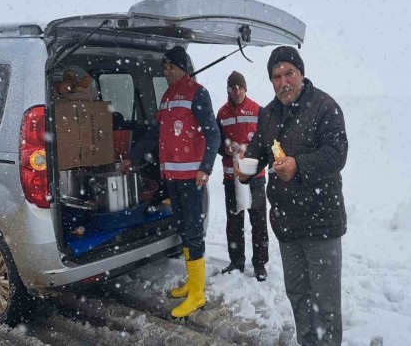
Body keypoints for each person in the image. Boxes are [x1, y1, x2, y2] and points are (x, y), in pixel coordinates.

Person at [235, 46, 348, 345]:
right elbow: (259, 150)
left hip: (321, 221)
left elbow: (337, 154)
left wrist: (299, 165)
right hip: (286, 223)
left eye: (289, 73)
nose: (283, 82)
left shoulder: (325, 106)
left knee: (326, 303)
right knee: (298, 294)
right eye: (276, 76)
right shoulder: (268, 114)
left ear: (301, 73)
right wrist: (246, 165)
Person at [122, 46, 220, 318]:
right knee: (182, 227)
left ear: (182, 67)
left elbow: (213, 134)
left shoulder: (197, 93)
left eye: (171, 67)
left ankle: (198, 294)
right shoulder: (166, 97)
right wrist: (133, 156)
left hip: (191, 177)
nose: (166, 71)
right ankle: (192, 281)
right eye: (164, 67)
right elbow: (155, 133)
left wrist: (206, 168)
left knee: (193, 229)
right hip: (172, 176)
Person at [216, 71, 269, 281]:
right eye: (233, 87)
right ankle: (236, 261)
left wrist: (251, 151)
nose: (237, 91)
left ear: (246, 88)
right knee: (234, 222)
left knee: (258, 222)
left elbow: (266, 141)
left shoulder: (258, 110)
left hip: (255, 176)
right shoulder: (221, 114)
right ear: (228, 90)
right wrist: (225, 149)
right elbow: (215, 142)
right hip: (231, 177)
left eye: (240, 87)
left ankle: (260, 264)